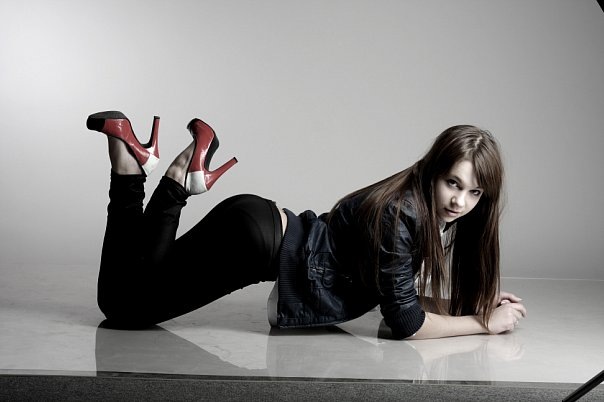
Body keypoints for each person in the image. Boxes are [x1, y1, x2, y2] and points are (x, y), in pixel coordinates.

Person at [87, 111, 526, 339]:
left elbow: (399, 300)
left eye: (474, 192)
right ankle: (169, 181)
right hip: (253, 243)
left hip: (256, 227)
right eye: (453, 183)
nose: (460, 201)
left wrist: (470, 304)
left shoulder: (411, 205)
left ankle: (136, 163)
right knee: (123, 307)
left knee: (134, 283)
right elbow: (406, 324)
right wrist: (483, 323)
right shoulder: (403, 215)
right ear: (433, 171)